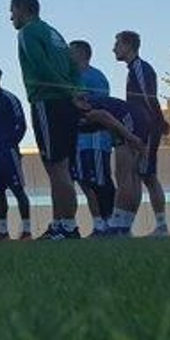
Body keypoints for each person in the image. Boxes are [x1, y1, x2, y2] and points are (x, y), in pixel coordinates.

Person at [9, 0, 84, 240]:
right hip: (66, 103)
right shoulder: (55, 34)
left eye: (12, 11)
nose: (11, 18)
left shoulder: (28, 32)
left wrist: (66, 91)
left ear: (23, 9)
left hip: (47, 102)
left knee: (55, 167)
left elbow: (41, 68)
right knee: (62, 167)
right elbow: (74, 67)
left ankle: (66, 225)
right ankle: (62, 223)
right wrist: (75, 92)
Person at [115, 30, 170, 237]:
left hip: (147, 128)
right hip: (142, 127)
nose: (114, 49)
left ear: (128, 45)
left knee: (148, 175)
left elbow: (148, 96)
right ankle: (128, 226)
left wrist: (159, 121)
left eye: (117, 44)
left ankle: (162, 226)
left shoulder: (140, 67)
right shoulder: (133, 69)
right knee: (139, 174)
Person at [75, 94, 149, 235]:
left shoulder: (84, 110)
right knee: (133, 176)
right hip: (136, 117)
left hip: (128, 119)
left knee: (123, 174)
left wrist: (132, 138)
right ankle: (125, 224)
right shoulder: (83, 109)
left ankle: (117, 223)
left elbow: (105, 117)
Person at [70, 40, 117, 235]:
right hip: (78, 139)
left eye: (70, 52)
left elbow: (101, 107)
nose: (67, 56)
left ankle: (110, 222)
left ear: (81, 54)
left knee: (101, 180)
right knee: (84, 180)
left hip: (96, 138)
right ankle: (98, 223)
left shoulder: (96, 78)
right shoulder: (72, 78)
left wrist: (84, 115)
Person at [0, 64, 33, 240]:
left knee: (18, 190)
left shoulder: (9, 98)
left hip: (8, 152)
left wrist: (11, 144)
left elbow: (21, 124)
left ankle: (26, 230)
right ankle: (3, 231)